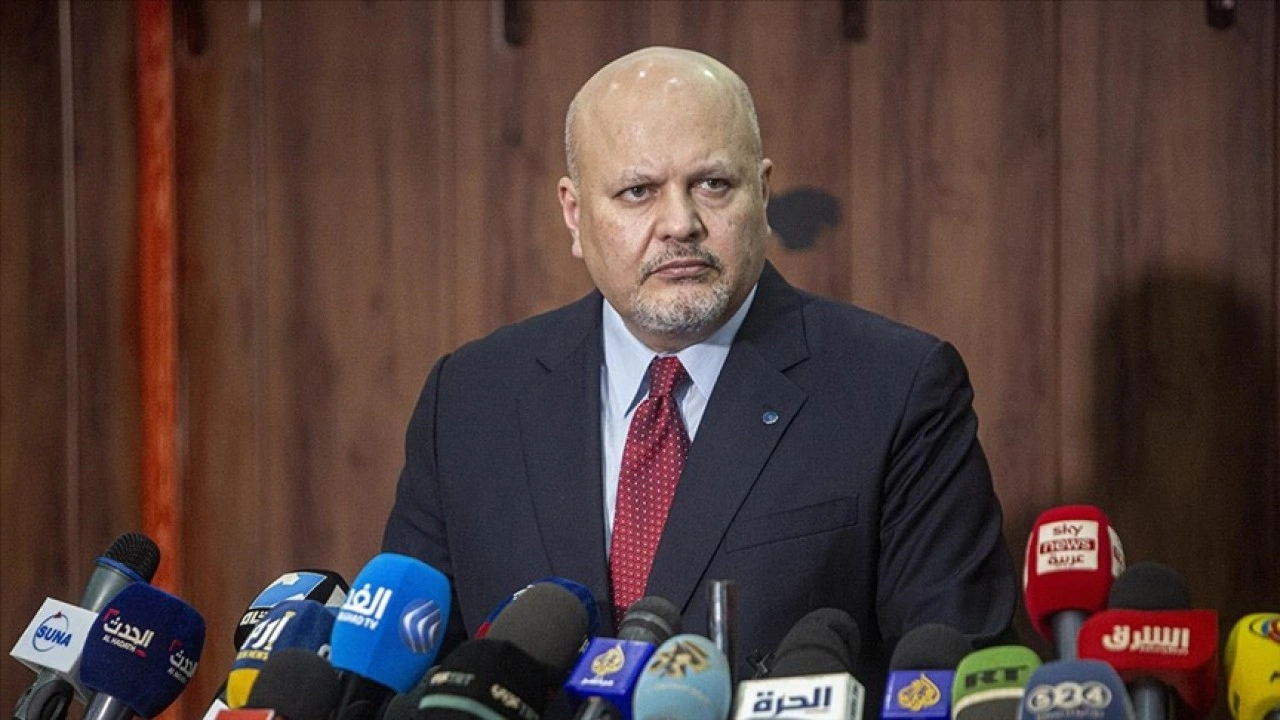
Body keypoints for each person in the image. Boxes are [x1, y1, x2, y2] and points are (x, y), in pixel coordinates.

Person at [383, 45, 1015, 698]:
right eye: (637, 192)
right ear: (574, 213)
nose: (680, 224)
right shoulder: (469, 401)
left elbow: (956, 675)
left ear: (763, 193)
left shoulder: (897, 389)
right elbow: (407, 678)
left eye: (713, 185)